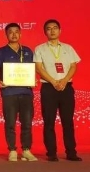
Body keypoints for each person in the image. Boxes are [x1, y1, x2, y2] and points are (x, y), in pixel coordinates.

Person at [34, 19, 83, 162]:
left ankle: (71, 152)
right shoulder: (40, 49)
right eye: (49, 29)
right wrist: (54, 81)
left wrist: (64, 80)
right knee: (49, 121)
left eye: (55, 28)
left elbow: (73, 66)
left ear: (60, 30)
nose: (52, 31)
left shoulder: (68, 48)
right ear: (45, 32)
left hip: (66, 87)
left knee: (68, 121)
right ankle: (51, 152)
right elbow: (39, 68)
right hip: (49, 88)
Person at [0, 23, 38, 162]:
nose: (14, 34)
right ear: (6, 35)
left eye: (16, 32)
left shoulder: (28, 51)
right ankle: (12, 150)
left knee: (27, 123)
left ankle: (26, 150)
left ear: (20, 34)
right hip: (9, 92)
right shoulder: (1, 52)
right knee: (10, 123)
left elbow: (33, 68)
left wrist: (34, 79)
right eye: (10, 32)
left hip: (26, 92)